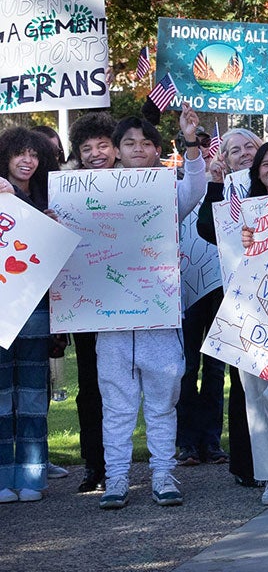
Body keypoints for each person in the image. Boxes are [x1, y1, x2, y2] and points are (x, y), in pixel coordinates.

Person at [97, 107, 208, 509]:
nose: (138, 149)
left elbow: (195, 188)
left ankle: (163, 474)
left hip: (159, 317)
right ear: (117, 150)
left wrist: (190, 141)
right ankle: (116, 480)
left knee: (163, 402)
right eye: (129, 143)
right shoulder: (90, 191)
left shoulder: (167, 191)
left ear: (157, 149)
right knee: (117, 405)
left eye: (146, 143)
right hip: (109, 320)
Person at [198, 139, 268, 504]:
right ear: (256, 171)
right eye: (265, 164)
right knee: (255, 398)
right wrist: (213, 183)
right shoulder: (241, 209)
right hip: (247, 313)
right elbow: (208, 229)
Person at [178, 128, 262, 469]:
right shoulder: (209, 189)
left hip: (233, 289)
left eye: (249, 147)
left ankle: (212, 440)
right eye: (234, 150)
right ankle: (186, 442)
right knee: (187, 366)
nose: (243, 154)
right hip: (195, 284)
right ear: (223, 157)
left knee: (217, 367)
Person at [0, 128, 61, 503]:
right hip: (3, 307)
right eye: (20, 153)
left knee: (34, 394)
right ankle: (3, 477)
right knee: (2, 394)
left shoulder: (44, 197)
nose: (28, 161)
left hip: (36, 306)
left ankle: (33, 477)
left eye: (34, 154)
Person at [64, 111, 118, 493]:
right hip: (84, 302)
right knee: (90, 386)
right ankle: (94, 465)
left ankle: (124, 464)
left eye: (103, 145)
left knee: (129, 386)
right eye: (88, 149)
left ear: (115, 148)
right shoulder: (65, 188)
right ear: (79, 154)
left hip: (135, 299)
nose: (96, 153)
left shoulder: (139, 182)